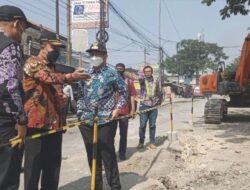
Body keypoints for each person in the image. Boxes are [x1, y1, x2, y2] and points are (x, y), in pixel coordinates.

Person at [22, 31, 90, 190]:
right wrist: (71, 76)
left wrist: (63, 121)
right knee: (33, 168)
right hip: (35, 125)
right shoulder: (32, 63)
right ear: (42, 46)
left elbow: (59, 95)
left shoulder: (53, 68)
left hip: (54, 126)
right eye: (54, 48)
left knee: (52, 169)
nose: (57, 52)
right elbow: (47, 78)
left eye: (59, 49)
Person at [77, 42, 128, 190]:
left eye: (97, 54)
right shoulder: (85, 73)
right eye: (92, 54)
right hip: (86, 120)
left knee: (107, 153)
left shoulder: (112, 73)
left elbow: (124, 92)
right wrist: (80, 113)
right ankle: (96, 186)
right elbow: (79, 94)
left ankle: (115, 186)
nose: (94, 57)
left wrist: (117, 109)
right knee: (92, 155)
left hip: (106, 120)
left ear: (105, 56)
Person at [0, 5, 31, 190]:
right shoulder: (9, 46)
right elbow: (9, 86)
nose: (22, 34)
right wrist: (20, 120)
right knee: (7, 178)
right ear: (16, 24)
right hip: (5, 122)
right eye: (23, 30)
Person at [124, 65, 162, 149]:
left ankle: (152, 142)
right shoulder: (142, 79)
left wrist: (160, 101)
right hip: (144, 105)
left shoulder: (156, 80)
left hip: (153, 106)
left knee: (152, 125)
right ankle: (141, 142)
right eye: (146, 71)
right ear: (144, 73)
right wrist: (124, 70)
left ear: (151, 72)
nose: (147, 73)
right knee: (142, 125)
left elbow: (159, 91)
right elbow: (133, 76)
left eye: (149, 71)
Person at [114, 63, 136, 160]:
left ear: (124, 69)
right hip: (112, 112)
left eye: (121, 69)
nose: (119, 70)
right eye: (117, 69)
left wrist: (133, 110)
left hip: (125, 111)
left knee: (123, 134)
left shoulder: (129, 81)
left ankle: (122, 152)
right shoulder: (111, 80)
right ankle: (111, 153)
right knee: (110, 134)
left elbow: (132, 96)